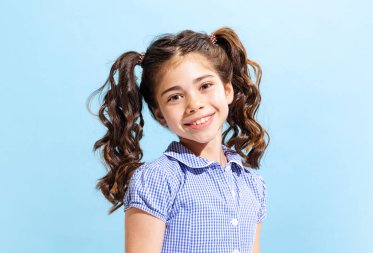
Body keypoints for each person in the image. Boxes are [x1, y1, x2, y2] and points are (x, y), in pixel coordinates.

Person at [88, 27, 270, 253]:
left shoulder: (252, 185)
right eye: (175, 97)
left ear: (227, 90)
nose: (194, 104)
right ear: (160, 115)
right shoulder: (157, 180)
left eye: (205, 86)